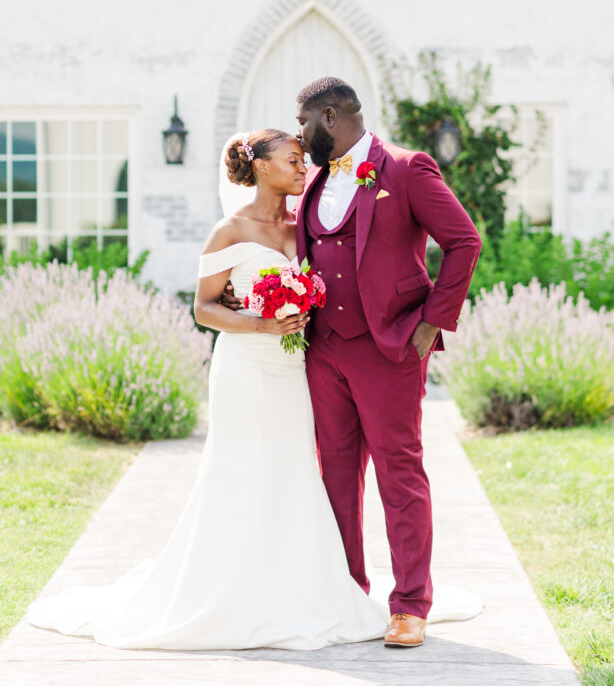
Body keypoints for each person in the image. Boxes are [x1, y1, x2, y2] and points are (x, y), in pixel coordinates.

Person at [25, 128, 388, 650]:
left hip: (292, 371)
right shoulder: (228, 231)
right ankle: (226, 589)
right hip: (245, 367)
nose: (302, 167)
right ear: (261, 167)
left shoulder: (302, 226)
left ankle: (295, 587)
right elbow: (204, 308)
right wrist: (262, 325)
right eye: (292, 159)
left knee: (291, 469)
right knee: (238, 471)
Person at [293, 76, 483, 648]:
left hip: (390, 346)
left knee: (399, 472)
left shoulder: (405, 168)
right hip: (324, 349)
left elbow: (464, 241)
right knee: (335, 474)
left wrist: (431, 323)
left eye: (302, 124)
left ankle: (409, 605)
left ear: (329, 117)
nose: (299, 139)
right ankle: (349, 591)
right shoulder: (312, 183)